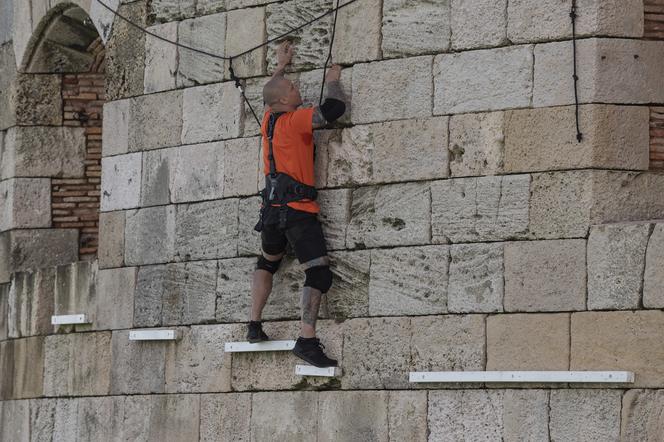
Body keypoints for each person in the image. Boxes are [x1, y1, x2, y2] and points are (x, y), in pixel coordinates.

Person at [247, 41, 347, 368]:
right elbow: (332, 110)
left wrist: (281, 66)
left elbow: (269, 95)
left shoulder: (269, 123)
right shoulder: (293, 121)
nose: (296, 88)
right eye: (291, 87)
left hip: (271, 213)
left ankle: (254, 324)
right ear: (283, 101)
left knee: (268, 261)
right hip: (298, 212)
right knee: (318, 273)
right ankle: (306, 339)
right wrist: (333, 77)